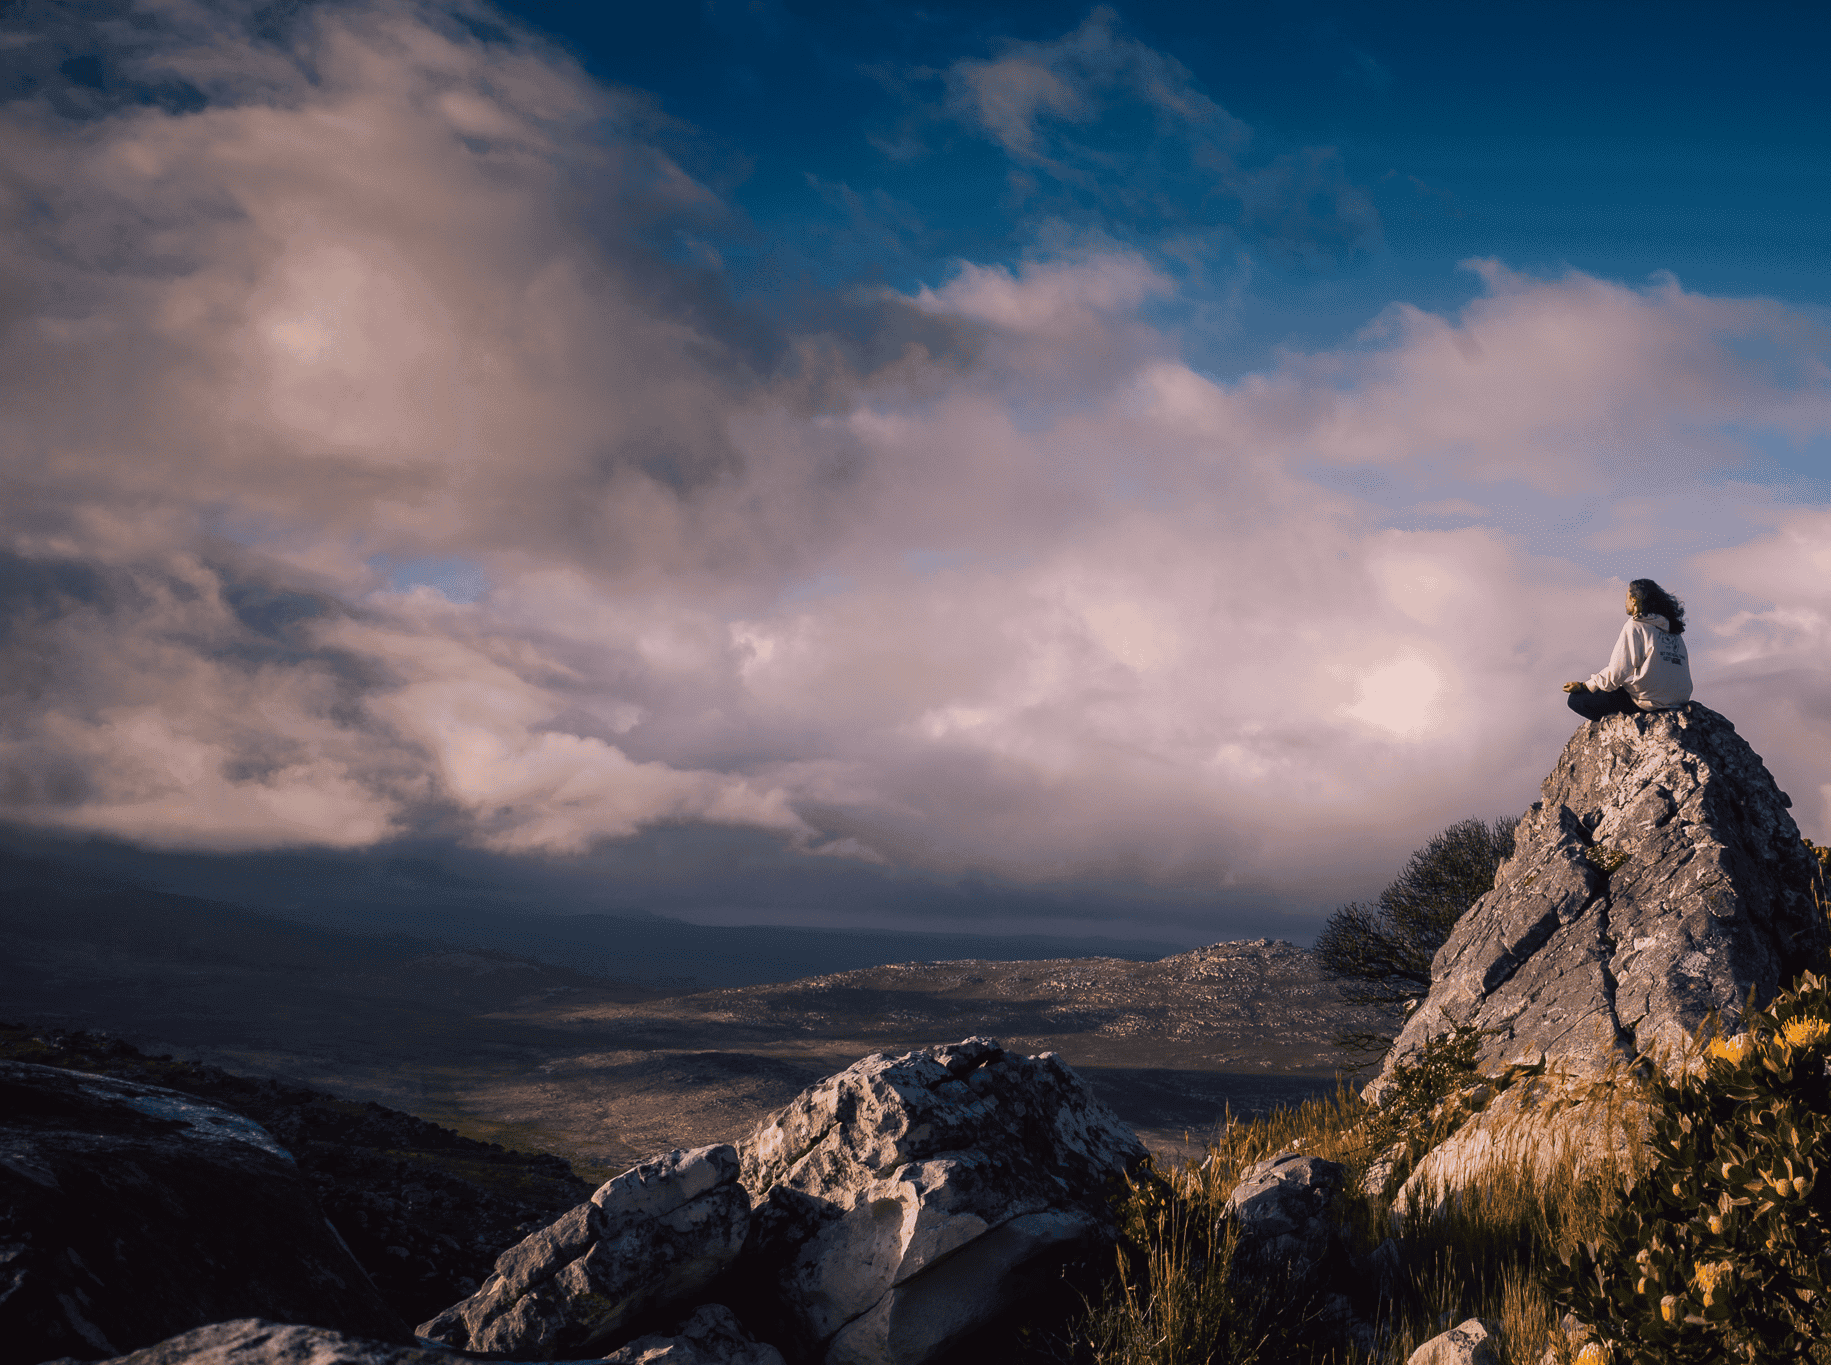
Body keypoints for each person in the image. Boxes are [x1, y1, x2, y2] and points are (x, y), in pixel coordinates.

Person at [1562, 579, 1692, 722]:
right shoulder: (1673, 630)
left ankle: (1621, 728)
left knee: (1576, 700)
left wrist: (1584, 686)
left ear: (1634, 600)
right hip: (1679, 700)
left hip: (1650, 702)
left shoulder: (1635, 626)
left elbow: (1615, 675)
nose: (1625, 602)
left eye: (1627, 597)